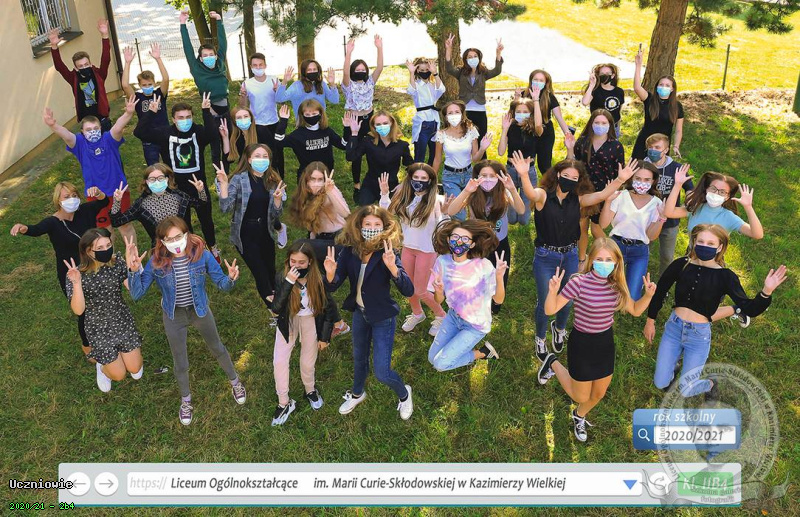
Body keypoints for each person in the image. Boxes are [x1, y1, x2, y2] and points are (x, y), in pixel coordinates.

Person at [508, 151, 638, 362]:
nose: (570, 180)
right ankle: (540, 338)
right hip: (546, 257)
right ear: (557, 175)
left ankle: (559, 328)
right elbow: (531, 194)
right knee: (544, 301)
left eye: (574, 178)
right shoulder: (543, 196)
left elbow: (601, 195)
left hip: (569, 256)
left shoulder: (578, 200)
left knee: (567, 300)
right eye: (566, 175)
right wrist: (523, 175)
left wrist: (620, 179)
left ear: (579, 181)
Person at [127, 217, 245, 425]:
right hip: (174, 315)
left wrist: (231, 279)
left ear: (186, 234)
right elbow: (137, 294)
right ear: (162, 242)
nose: (175, 242)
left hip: (199, 310)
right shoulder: (156, 261)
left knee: (217, 347)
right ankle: (186, 401)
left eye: (178, 236)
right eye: (169, 239)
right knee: (180, 360)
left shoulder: (202, 255)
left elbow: (221, 284)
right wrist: (135, 270)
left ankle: (235, 382)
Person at [644, 225, 787, 397]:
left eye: (711, 243)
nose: (705, 246)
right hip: (674, 329)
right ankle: (673, 366)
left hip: (698, 336)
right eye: (701, 241)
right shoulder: (681, 265)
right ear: (694, 242)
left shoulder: (725, 276)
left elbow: (750, 308)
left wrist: (766, 292)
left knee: (686, 390)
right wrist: (650, 321)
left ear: (720, 247)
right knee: (660, 383)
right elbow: (660, 292)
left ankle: (710, 384)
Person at [537, 238, 656, 442]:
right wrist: (553, 292)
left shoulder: (617, 287)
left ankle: (579, 415)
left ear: (616, 262)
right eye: (599, 259)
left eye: (609, 260)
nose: (604, 264)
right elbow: (550, 309)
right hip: (582, 344)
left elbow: (636, 310)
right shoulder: (578, 283)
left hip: (604, 344)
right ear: (591, 260)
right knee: (580, 396)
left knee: (598, 394)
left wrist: (648, 296)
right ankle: (552, 362)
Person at [324, 206, 415, 419]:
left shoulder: (388, 252)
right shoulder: (350, 251)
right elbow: (333, 285)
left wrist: (393, 268)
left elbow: (408, 290)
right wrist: (329, 274)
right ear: (359, 226)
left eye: (377, 224)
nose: (372, 228)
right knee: (359, 358)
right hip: (360, 314)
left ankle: (404, 394)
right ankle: (357, 394)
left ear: (384, 227)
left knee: (382, 372)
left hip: (383, 317)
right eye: (367, 224)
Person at [10, 182, 109, 357]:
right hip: (70, 273)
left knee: (101, 302)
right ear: (58, 200)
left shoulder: (85, 211)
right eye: (66, 196)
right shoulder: (52, 222)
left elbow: (104, 202)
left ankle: (107, 331)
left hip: (92, 266)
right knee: (83, 310)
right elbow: (36, 230)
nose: (72, 199)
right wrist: (23, 228)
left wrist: (99, 193)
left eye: (74, 195)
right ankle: (87, 346)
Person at [134, 94, 225, 261]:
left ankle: (212, 247)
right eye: (181, 118)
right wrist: (151, 113)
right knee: (183, 222)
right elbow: (139, 132)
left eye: (188, 117)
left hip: (198, 185)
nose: (185, 121)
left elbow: (213, 134)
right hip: (176, 187)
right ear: (173, 119)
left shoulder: (198, 131)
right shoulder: (165, 133)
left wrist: (206, 111)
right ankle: (190, 250)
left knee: (206, 218)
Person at [43, 97, 137, 243]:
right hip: (95, 195)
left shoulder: (109, 139)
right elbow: (66, 135)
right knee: (105, 230)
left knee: (124, 226)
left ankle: (133, 255)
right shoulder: (80, 144)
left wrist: (128, 113)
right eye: (88, 130)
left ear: (101, 129)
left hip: (118, 190)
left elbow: (118, 128)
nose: (93, 132)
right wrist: (53, 126)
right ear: (82, 132)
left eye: (96, 129)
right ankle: (109, 255)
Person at [64, 228, 143, 392]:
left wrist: (134, 269)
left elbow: (134, 291)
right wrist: (77, 284)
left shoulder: (117, 262)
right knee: (119, 375)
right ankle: (102, 367)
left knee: (135, 369)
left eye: (108, 245)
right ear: (88, 251)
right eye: (99, 248)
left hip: (122, 320)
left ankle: (122, 360)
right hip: (98, 328)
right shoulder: (76, 274)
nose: (106, 250)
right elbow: (78, 310)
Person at [270, 241, 339, 426]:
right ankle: (284, 402)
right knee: (279, 361)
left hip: (310, 321)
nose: (297, 266)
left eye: (302, 262)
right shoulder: (283, 276)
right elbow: (276, 308)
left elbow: (328, 308)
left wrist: (324, 337)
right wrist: (288, 282)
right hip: (289, 320)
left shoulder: (317, 279)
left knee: (307, 362)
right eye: (293, 261)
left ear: (310, 262)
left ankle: (310, 390)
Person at [379, 164, 449, 335]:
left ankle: (442, 315)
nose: (419, 181)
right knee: (408, 287)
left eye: (423, 178)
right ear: (410, 179)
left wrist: (446, 213)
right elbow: (386, 214)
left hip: (427, 250)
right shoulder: (405, 198)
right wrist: (384, 193)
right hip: (408, 248)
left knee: (421, 290)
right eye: (416, 178)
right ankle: (417, 313)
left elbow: (444, 225)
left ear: (430, 181)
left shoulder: (437, 201)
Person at [446, 160, 525, 312]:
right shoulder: (473, 192)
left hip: (499, 244)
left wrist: (512, 189)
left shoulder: (504, 192)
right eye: (484, 175)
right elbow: (451, 211)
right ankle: (474, 305)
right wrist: (467, 190)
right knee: (476, 277)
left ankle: (494, 306)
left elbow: (521, 210)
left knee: (498, 276)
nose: (488, 179)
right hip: (477, 244)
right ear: (477, 176)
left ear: (499, 177)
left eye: (492, 176)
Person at [427, 219, 506, 371]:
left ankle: (482, 353)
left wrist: (499, 277)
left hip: (475, 325)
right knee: (432, 358)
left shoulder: (483, 265)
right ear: (448, 239)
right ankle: (470, 350)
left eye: (465, 239)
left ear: (472, 244)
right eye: (455, 237)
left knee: (439, 364)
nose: (459, 241)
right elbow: (438, 301)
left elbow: (498, 300)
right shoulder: (442, 262)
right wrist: (439, 291)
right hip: (453, 317)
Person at [215, 143, 287, 309]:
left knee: (270, 270)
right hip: (245, 233)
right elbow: (225, 208)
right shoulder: (239, 179)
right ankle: (274, 310)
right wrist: (224, 185)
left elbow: (276, 214)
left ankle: (276, 302)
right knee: (260, 273)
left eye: (265, 157)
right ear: (248, 159)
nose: (261, 160)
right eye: (257, 156)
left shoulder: (273, 180)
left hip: (266, 232)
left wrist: (277, 201)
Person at [287, 162, 351, 339]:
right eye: (312, 179)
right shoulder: (306, 196)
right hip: (321, 242)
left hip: (339, 241)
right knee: (317, 284)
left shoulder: (331, 191)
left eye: (320, 179)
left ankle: (288, 286)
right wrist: (312, 245)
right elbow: (313, 227)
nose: (316, 184)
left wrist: (330, 191)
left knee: (299, 245)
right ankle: (339, 324)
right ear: (306, 181)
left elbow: (346, 213)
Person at [599, 162, 666, 300]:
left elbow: (651, 236)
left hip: (639, 251)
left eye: (647, 179)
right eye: (638, 178)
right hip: (616, 246)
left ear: (653, 181)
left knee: (632, 296)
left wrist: (661, 218)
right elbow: (603, 224)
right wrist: (608, 201)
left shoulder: (657, 203)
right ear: (632, 178)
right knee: (605, 290)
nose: (642, 183)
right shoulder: (620, 196)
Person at [567, 109, 625, 264]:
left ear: (610, 125)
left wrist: (614, 192)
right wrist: (569, 148)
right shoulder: (582, 142)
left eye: (604, 123)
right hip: (583, 190)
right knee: (581, 226)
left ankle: (613, 257)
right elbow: (572, 164)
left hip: (604, 191)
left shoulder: (616, 146)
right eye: (597, 122)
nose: (600, 125)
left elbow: (620, 172)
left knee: (596, 228)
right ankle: (581, 259)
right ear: (591, 124)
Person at [110, 164, 208, 248]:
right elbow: (117, 222)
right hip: (160, 249)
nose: (157, 182)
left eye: (160, 178)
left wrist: (201, 191)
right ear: (147, 182)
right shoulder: (141, 205)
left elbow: (201, 205)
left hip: (185, 243)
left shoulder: (180, 197)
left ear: (167, 179)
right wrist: (117, 202)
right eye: (152, 179)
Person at [179, 9, 230, 164]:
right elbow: (187, 48)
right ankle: (217, 170)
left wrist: (219, 21)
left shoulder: (220, 63)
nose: (209, 57)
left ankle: (227, 169)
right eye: (205, 55)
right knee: (215, 143)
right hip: (210, 108)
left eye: (211, 54)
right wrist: (183, 24)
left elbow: (223, 42)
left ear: (216, 55)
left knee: (228, 140)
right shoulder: (196, 68)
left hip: (225, 107)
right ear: (200, 58)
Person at [444, 34, 504, 159]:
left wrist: (498, 53)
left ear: (479, 58)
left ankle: (482, 163)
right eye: (469, 57)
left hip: (480, 110)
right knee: (464, 138)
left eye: (475, 56)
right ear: (465, 59)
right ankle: (463, 161)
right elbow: (449, 69)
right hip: (465, 111)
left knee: (481, 138)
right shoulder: (461, 72)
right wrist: (448, 49)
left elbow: (497, 71)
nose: (472, 58)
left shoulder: (483, 72)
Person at [47, 21, 113, 132]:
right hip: (86, 122)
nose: (84, 67)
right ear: (76, 68)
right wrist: (54, 46)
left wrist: (105, 35)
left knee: (107, 142)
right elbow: (59, 67)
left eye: (86, 64)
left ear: (90, 64)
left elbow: (106, 59)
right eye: (81, 66)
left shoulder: (99, 74)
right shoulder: (73, 78)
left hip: (102, 120)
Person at [431, 100, 493, 220]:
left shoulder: (471, 131)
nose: (454, 115)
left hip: (469, 174)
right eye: (450, 113)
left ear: (462, 114)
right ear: (446, 117)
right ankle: (458, 230)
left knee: (475, 211)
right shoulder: (441, 134)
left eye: (457, 112)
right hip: (450, 177)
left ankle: (472, 230)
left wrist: (482, 149)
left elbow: (475, 159)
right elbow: (437, 159)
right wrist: (432, 179)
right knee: (459, 214)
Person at [664, 168, 763, 240]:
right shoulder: (696, 208)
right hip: (691, 256)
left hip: (715, 260)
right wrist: (677, 185)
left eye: (722, 192)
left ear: (727, 196)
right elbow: (669, 212)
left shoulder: (728, 217)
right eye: (713, 189)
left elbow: (757, 234)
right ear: (706, 189)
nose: (716, 193)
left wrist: (748, 207)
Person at [644, 133, 693, 276]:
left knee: (667, 257)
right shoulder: (642, 166)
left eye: (657, 147)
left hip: (670, 221)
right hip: (646, 218)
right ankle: (640, 278)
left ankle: (663, 283)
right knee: (643, 252)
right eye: (650, 147)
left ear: (665, 150)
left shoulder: (676, 168)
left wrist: (690, 199)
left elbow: (689, 188)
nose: (653, 150)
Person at [342, 35, 384, 201]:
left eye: (363, 69)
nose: (360, 71)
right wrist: (348, 53)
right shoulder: (348, 84)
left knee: (375, 150)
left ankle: (376, 181)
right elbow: (345, 72)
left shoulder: (370, 82)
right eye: (357, 69)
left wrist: (379, 48)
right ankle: (357, 184)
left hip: (369, 119)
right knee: (356, 155)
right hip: (353, 120)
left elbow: (379, 68)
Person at [344, 110, 412, 206]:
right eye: (378, 124)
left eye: (385, 123)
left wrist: (404, 184)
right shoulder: (368, 141)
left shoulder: (402, 146)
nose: (382, 126)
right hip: (371, 184)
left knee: (393, 209)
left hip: (391, 184)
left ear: (392, 124)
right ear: (374, 126)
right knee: (364, 208)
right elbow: (351, 157)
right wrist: (354, 133)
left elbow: (411, 166)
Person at [631, 46, 684, 160]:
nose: (664, 87)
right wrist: (638, 65)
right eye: (661, 84)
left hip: (662, 146)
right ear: (656, 87)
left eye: (667, 85)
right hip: (645, 143)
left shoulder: (677, 106)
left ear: (672, 89)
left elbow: (679, 130)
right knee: (638, 168)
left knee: (657, 170)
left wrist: (676, 146)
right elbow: (637, 88)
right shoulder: (649, 99)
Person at [274, 99, 347, 181]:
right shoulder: (298, 135)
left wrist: (347, 128)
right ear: (302, 116)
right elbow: (279, 142)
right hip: (306, 175)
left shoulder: (326, 131)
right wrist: (283, 121)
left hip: (326, 174)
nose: (311, 117)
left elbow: (343, 145)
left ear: (320, 113)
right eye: (307, 115)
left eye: (314, 114)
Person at [121, 43, 170, 165]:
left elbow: (166, 79)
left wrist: (158, 59)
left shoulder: (160, 93)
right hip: (148, 137)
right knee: (153, 167)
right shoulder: (137, 97)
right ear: (139, 85)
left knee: (170, 165)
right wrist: (127, 63)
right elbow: (125, 85)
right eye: (144, 85)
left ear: (154, 83)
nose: (147, 87)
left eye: (150, 84)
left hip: (164, 134)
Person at [238, 53, 285, 176]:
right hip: (257, 124)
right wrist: (243, 95)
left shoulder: (274, 80)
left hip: (274, 121)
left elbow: (282, 101)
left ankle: (280, 177)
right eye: (255, 65)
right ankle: (265, 176)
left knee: (278, 151)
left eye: (260, 65)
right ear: (251, 67)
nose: (258, 67)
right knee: (263, 152)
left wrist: (278, 92)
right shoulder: (247, 83)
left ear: (265, 65)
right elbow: (243, 106)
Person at [498, 98, 543, 225]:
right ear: (514, 112)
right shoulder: (510, 127)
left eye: (525, 111)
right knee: (511, 219)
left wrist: (536, 100)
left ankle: (524, 216)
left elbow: (539, 124)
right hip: (511, 169)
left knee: (524, 220)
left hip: (528, 171)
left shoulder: (535, 128)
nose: (521, 114)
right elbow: (501, 151)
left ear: (531, 113)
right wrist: (504, 129)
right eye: (518, 111)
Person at [405, 57, 446, 166]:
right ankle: (417, 173)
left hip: (434, 122)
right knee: (420, 154)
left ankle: (429, 173)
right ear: (417, 70)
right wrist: (411, 73)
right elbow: (411, 90)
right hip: (423, 123)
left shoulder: (432, 85)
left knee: (433, 154)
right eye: (422, 70)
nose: (425, 72)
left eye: (427, 70)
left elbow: (442, 89)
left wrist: (435, 73)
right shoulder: (417, 85)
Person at [225, 104, 290, 169]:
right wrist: (225, 138)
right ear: (234, 121)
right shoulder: (236, 135)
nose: (243, 119)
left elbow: (273, 153)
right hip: (246, 169)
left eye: (246, 116)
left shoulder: (260, 130)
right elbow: (230, 160)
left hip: (265, 168)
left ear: (251, 118)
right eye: (239, 118)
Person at [581, 64, 625, 136]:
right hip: (598, 126)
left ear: (613, 75)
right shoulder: (595, 91)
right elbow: (585, 102)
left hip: (614, 127)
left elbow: (619, 109)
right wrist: (591, 85)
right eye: (602, 74)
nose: (604, 75)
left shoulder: (619, 91)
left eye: (607, 73)